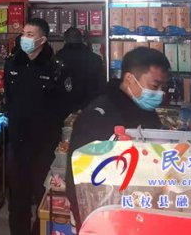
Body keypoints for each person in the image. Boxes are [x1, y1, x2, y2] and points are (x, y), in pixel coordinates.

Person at [65, 47, 169, 228]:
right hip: (108, 219)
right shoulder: (99, 115)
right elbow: (78, 180)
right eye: (154, 86)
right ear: (129, 79)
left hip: (145, 214)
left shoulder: (149, 114)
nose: (160, 93)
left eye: (162, 87)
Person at [4, 18, 66, 235]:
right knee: (17, 199)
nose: (24, 38)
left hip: (44, 145)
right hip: (17, 143)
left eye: (30, 35)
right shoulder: (13, 63)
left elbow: (61, 106)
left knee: (43, 196)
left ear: (42, 39)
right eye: (24, 33)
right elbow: (9, 97)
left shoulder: (55, 67)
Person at [57, 27, 105, 117]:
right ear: (82, 40)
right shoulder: (95, 59)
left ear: (65, 40)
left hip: (64, 108)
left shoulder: (58, 58)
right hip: (89, 107)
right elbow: (100, 86)